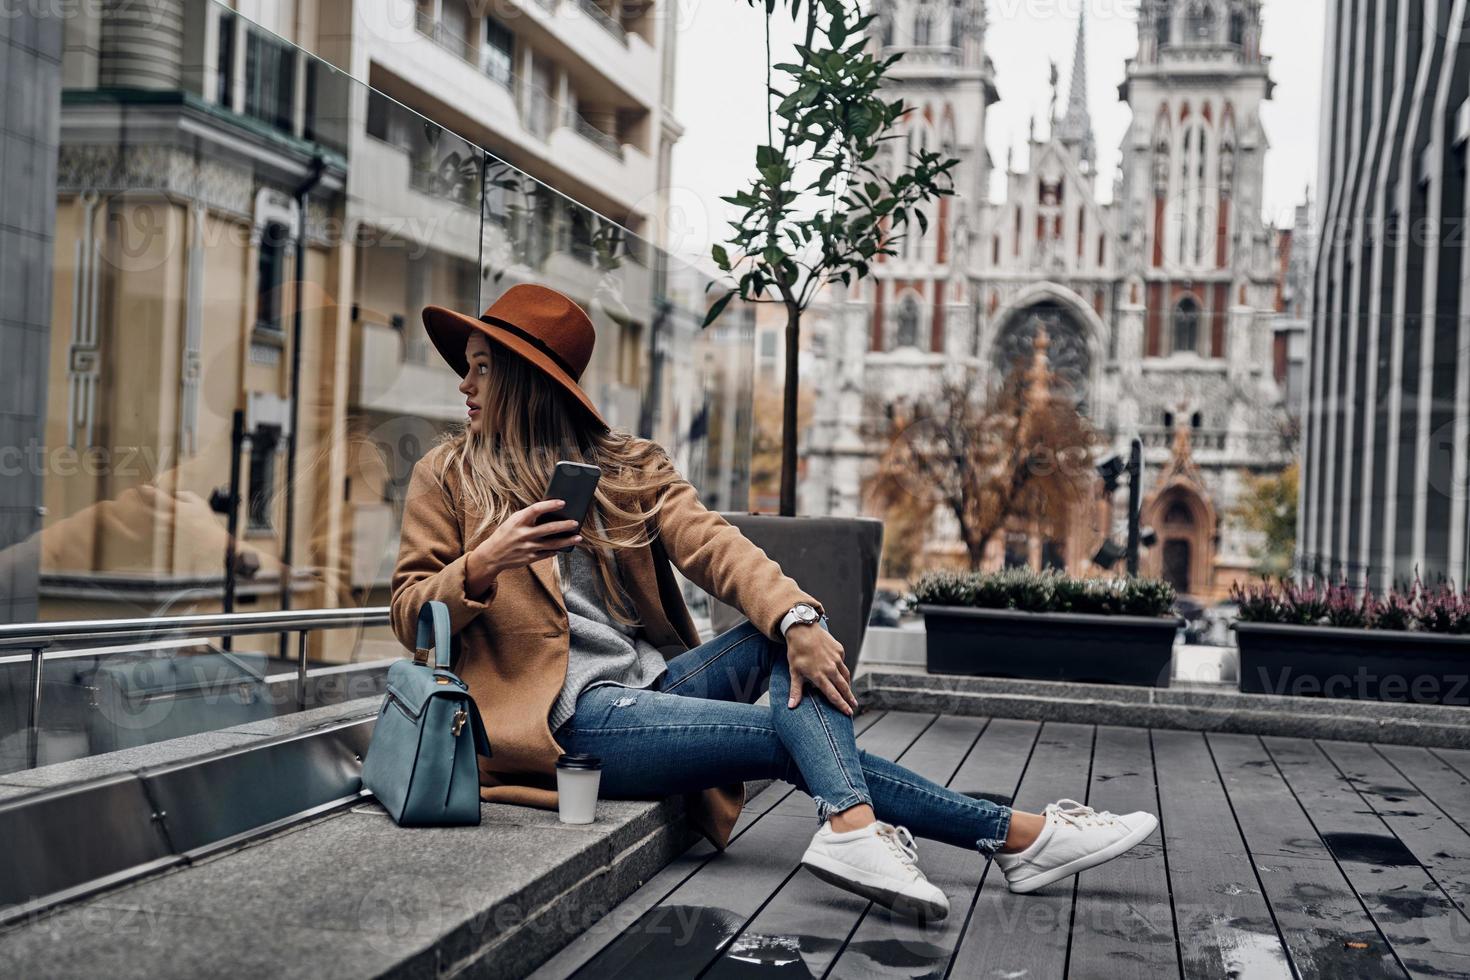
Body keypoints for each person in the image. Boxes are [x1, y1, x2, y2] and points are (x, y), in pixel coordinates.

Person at [390, 284, 1158, 921]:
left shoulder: (624, 468)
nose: (465, 384)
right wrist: (484, 562)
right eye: (469, 368)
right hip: (567, 721)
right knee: (781, 736)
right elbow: (409, 614)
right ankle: (1001, 834)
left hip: (649, 691)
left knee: (790, 649)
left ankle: (907, 830)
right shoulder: (447, 475)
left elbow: (714, 544)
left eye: (483, 369)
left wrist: (800, 619)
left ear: (528, 382)